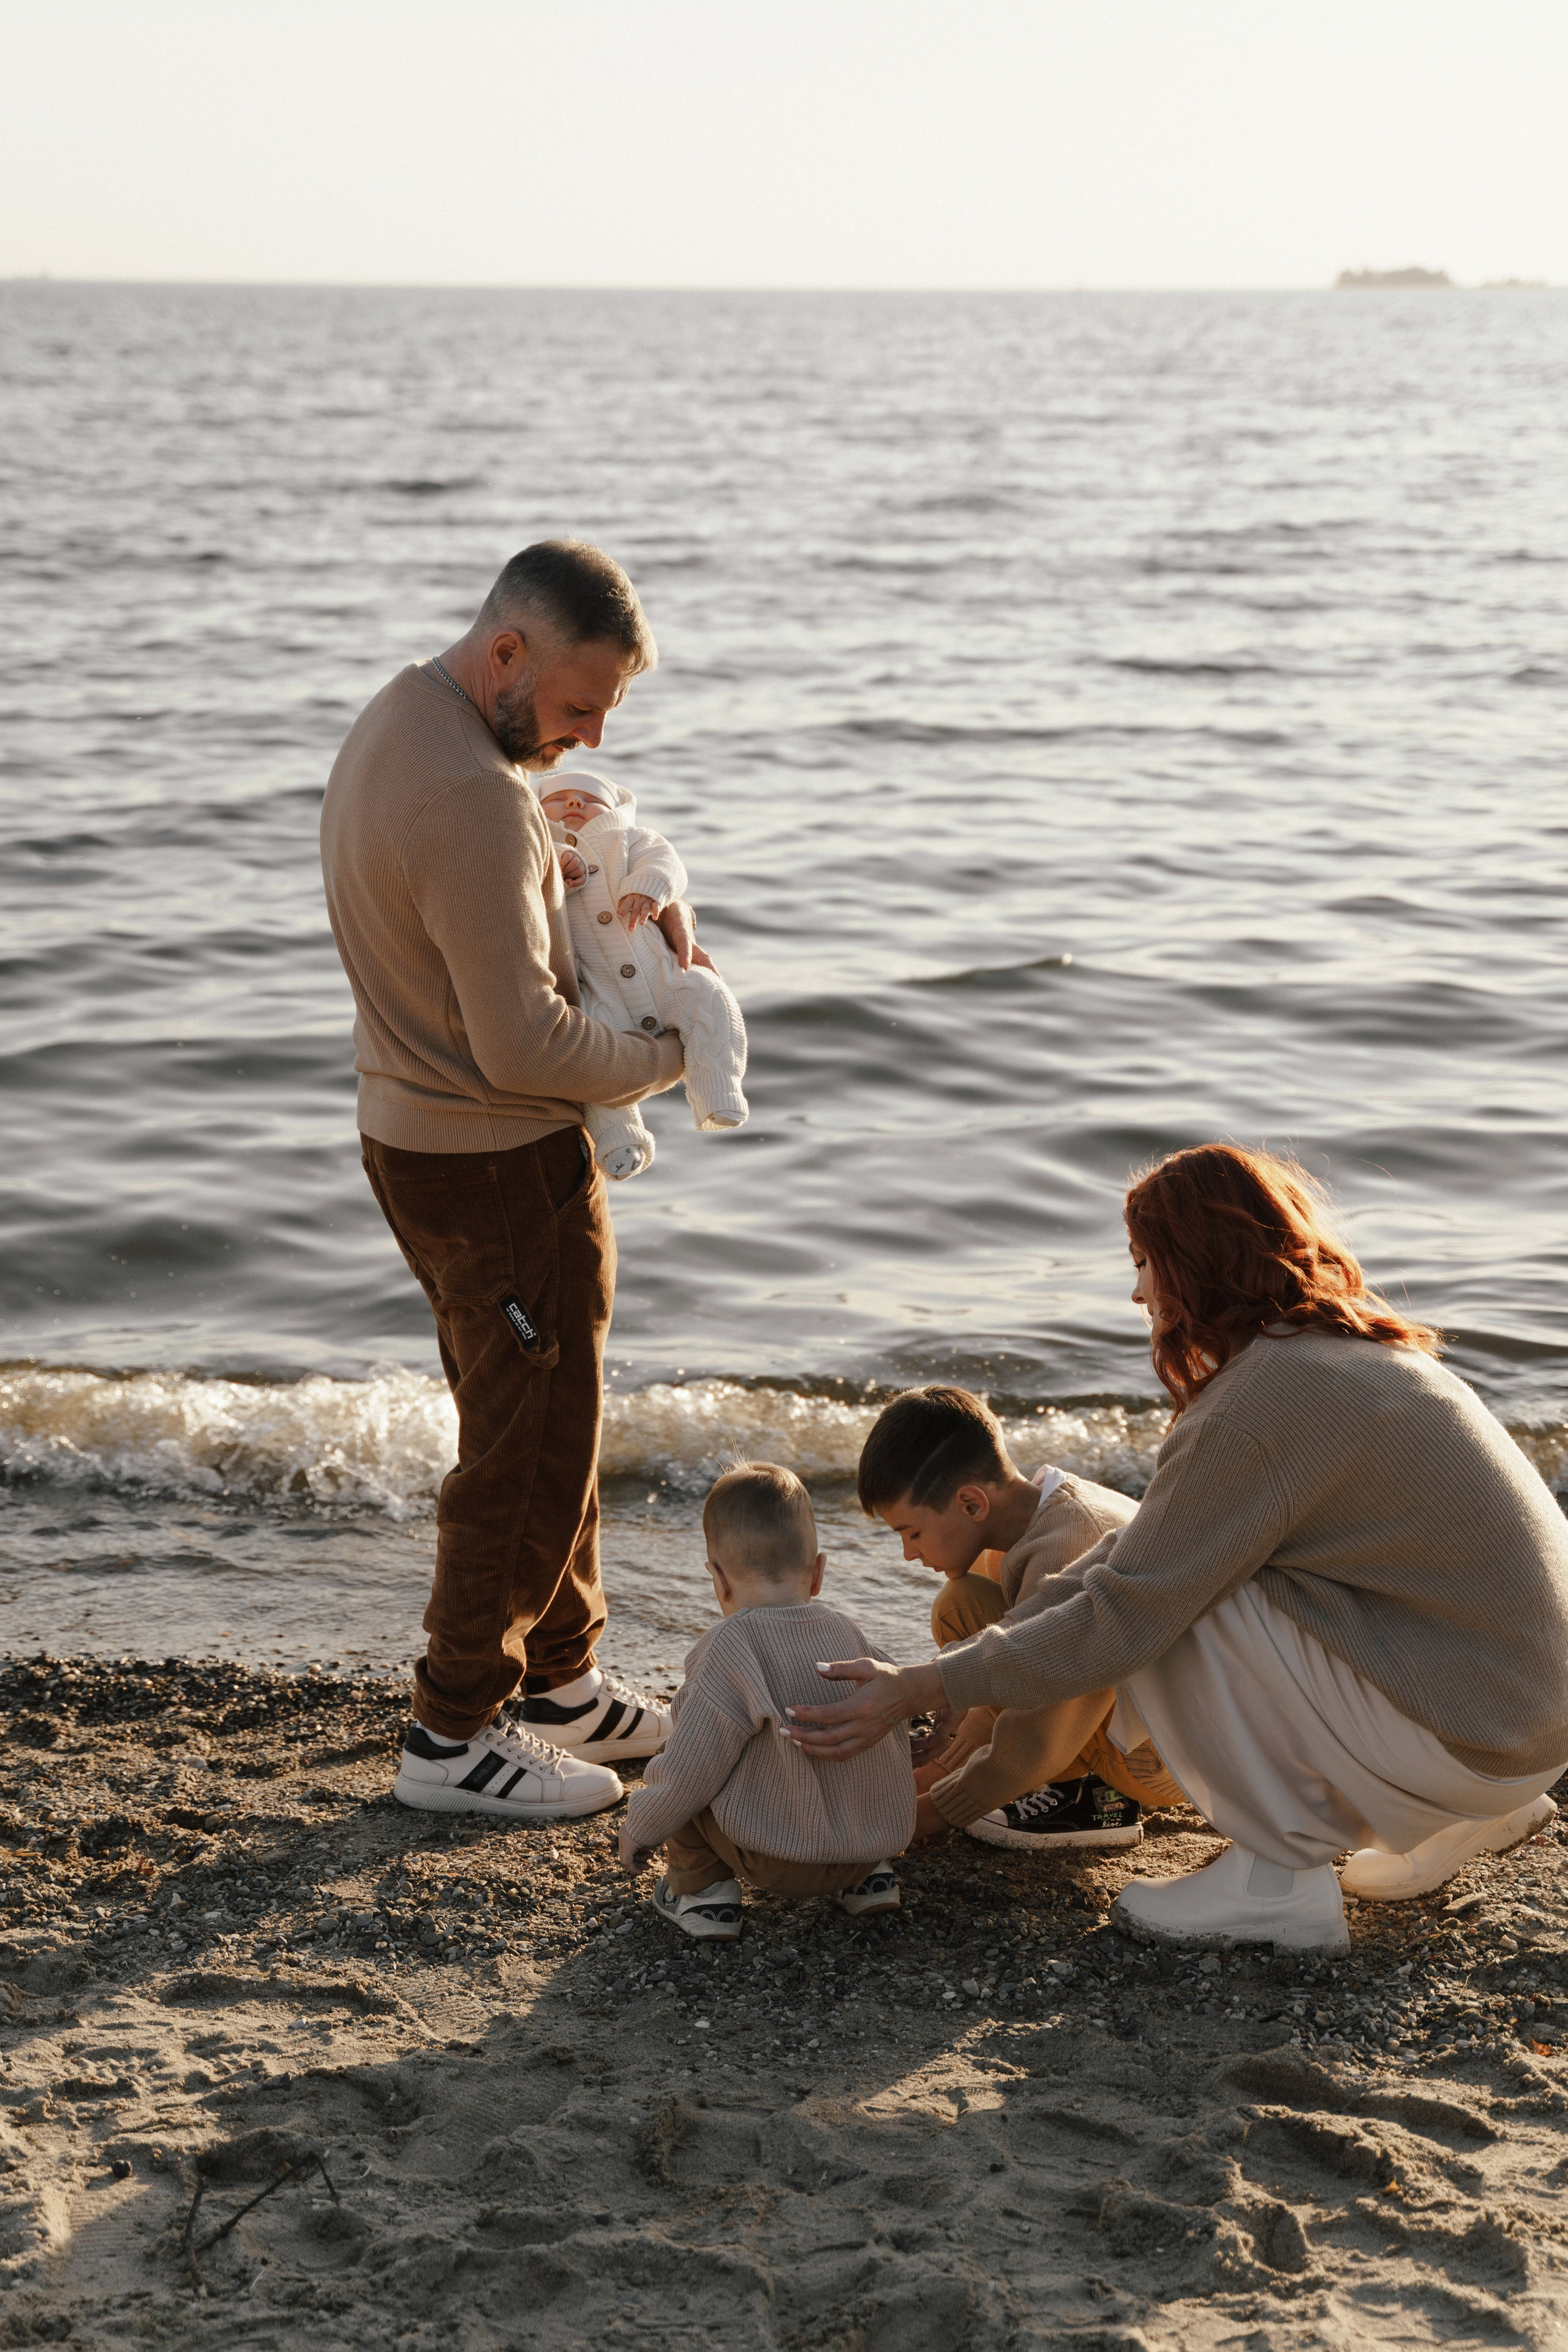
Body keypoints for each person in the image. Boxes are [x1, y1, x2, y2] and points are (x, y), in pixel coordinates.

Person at [786, 1145, 1568, 1953]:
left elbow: (1125, 1609)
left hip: (1478, 1732)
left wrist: (918, 1688)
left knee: (1179, 1602)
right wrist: (936, 1682)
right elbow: (1116, 1567)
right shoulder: (1354, 1352)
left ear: (1193, 1265)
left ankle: (1277, 1879)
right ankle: (1462, 1819)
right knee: (1169, 1569)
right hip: (1527, 1726)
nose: (1136, 1290)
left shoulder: (1257, 1405)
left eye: (1143, 1263)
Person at [321, 540, 704, 1826]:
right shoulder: (470, 796)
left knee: (559, 1417)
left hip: (425, 1136)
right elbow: (525, 1046)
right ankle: (450, 1733)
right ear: (507, 656)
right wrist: (674, 1047)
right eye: (577, 705)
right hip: (486, 1159)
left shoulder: (402, 718)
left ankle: (560, 1678)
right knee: (519, 1445)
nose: (590, 736)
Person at [856, 1385, 1183, 1850]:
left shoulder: (1071, 1544)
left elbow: (1037, 1733)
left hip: (1159, 1761)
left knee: (1024, 1707)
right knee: (962, 1602)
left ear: (972, 1504)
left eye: (912, 1532)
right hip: (1121, 1721)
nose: (909, 1554)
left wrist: (917, 1816)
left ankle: (1088, 1796)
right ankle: (990, 1771)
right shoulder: (1040, 1511)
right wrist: (946, 1754)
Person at [617, 1464, 914, 1939]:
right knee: (859, 1736)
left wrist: (642, 1827)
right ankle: (872, 1883)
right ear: (818, 1572)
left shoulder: (729, 1647)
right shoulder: (850, 1634)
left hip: (776, 1860)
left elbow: (691, 1768)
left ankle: (704, 1898)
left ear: (719, 1578)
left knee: (683, 1766)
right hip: (868, 1846)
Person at [538, 770, 748, 1178]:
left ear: (615, 809)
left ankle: (716, 1088)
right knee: (594, 1061)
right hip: (598, 994)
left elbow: (668, 863)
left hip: (659, 973)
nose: (575, 804)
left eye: (589, 799)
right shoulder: (539, 848)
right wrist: (554, 872)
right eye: (560, 798)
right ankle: (619, 1139)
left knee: (710, 995)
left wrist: (650, 887)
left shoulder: (631, 841)